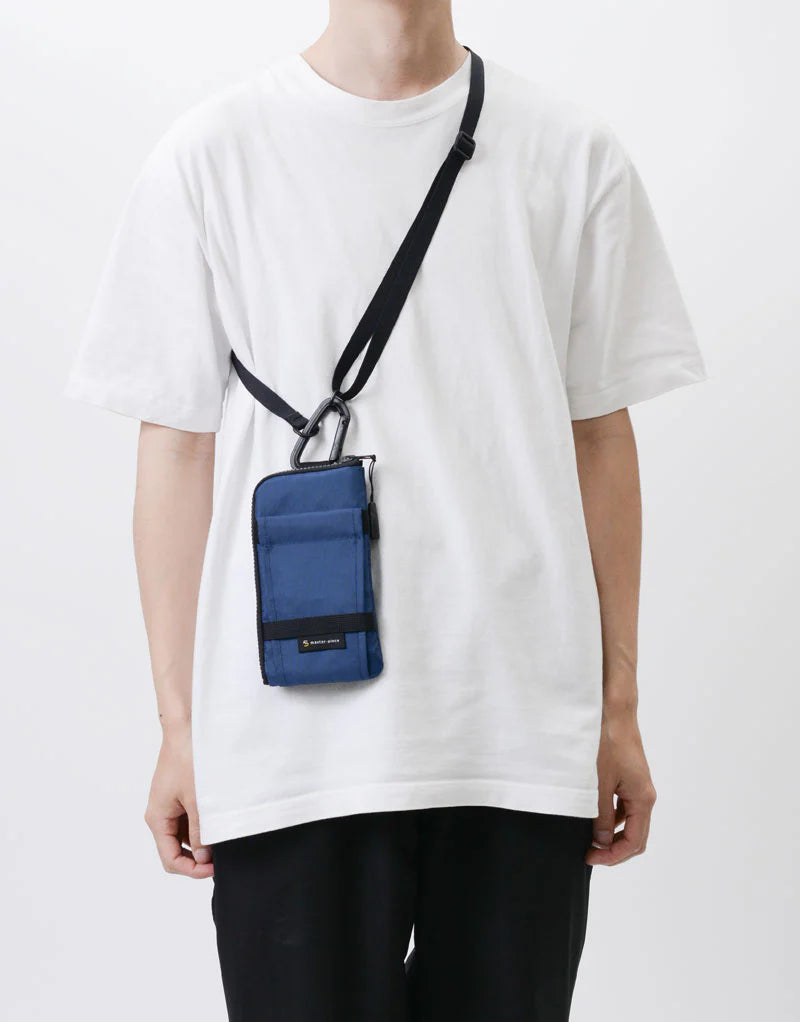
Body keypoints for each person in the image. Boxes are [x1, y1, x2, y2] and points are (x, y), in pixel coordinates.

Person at [67, 1, 705, 1018]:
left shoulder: (570, 153)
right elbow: (176, 447)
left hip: (516, 738)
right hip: (288, 750)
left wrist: (617, 709)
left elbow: (598, 437)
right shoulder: (211, 156)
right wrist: (181, 727)